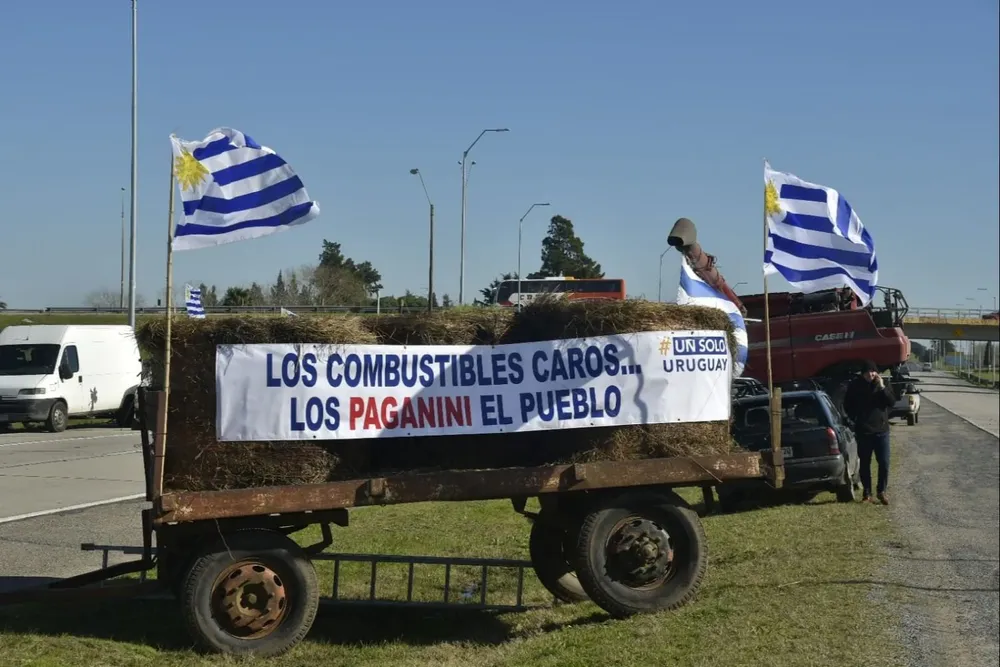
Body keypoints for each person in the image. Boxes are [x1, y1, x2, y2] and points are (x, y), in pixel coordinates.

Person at [843, 360, 896, 505]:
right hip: (864, 431)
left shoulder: (882, 385)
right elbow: (847, 405)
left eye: (873, 371)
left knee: (884, 462)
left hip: (881, 431)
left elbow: (892, 402)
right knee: (865, 464)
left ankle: (882, 491)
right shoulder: (855, 386)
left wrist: (882, 387)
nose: (870, 374)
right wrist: (854, 420)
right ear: (862, 373)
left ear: (877, 372)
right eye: (867, 371)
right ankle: (867, 493)